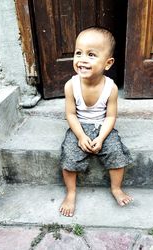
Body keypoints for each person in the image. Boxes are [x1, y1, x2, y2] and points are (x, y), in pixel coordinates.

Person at [59, 27, 133, 217]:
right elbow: (71, 115)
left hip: (103, 127)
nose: (82, 59)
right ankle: (71, 192)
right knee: (69, 155)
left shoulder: (111, 88)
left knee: (116, 152)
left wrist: (101, 138)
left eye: (91, 55)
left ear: (107, 63)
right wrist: (81, 136)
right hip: (79, 127)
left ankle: (116, 188)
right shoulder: (71, 85)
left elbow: (110, 116)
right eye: (78, 53)